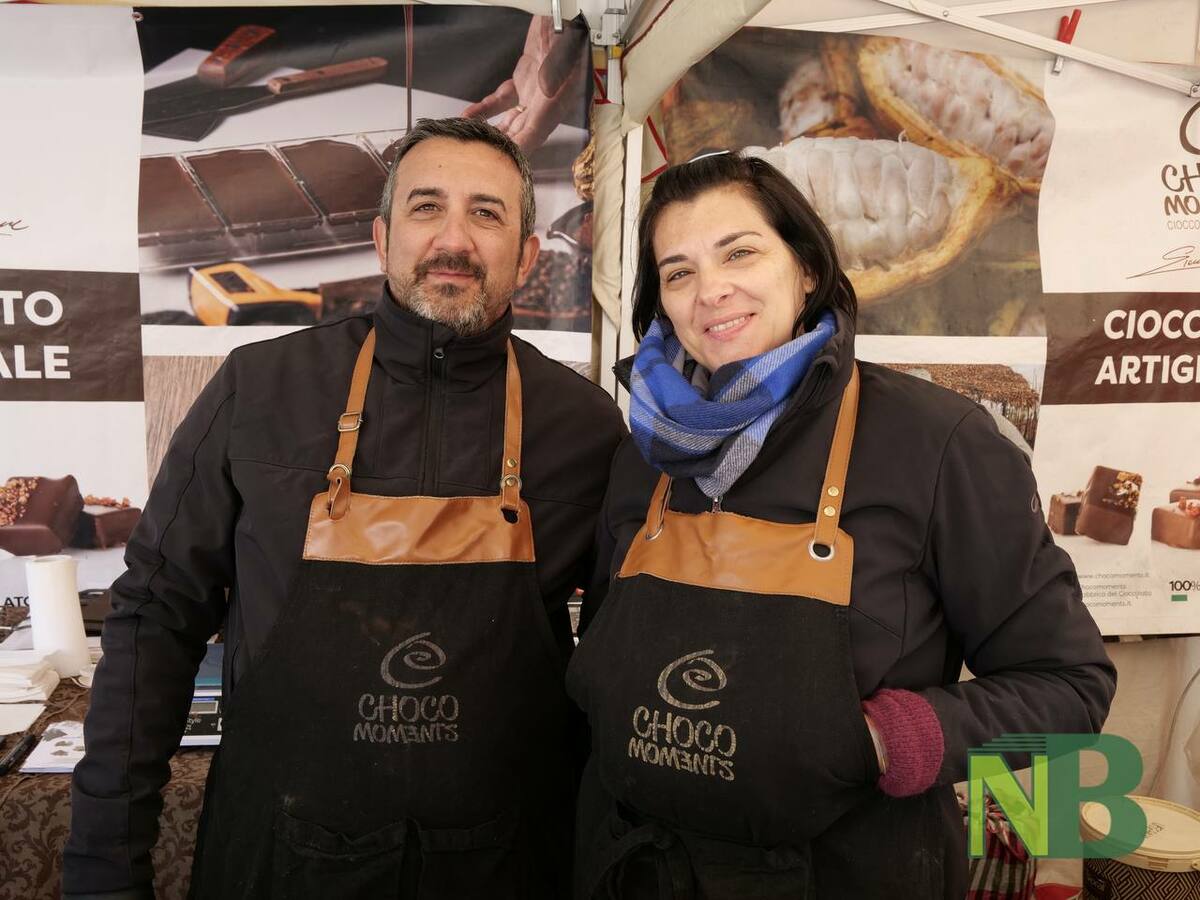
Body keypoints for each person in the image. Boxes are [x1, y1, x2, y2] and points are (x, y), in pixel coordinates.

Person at [64, 117, 625, 899]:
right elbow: (155, 619)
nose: (453, 238)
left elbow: (622, 663)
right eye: (426, 207)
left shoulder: (587, 428)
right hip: (277, 859)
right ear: (381, 236)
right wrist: (101, 866)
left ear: (528, 256)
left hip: (508, 864)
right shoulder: (259, 391)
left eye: (487, 213)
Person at [566, 151, 1115, 899]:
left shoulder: (935, 442)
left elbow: (1071, 688)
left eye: (740, 252)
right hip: (637, 869)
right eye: (678, 271)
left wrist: (892, 739)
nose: (711, 290)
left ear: (809, 271)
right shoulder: (645, 456)